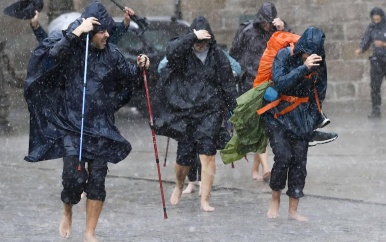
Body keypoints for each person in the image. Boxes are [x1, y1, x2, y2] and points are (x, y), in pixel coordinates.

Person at [24, 2, 149, 240]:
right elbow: (52, 55)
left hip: (101, 127)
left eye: (108, 30)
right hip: (72, 125)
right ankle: (68, 210)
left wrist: (142, 68)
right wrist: (77, 31)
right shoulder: (72, 49)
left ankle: (89, 233)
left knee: (98, 181)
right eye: (102, 31)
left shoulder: (112, 54)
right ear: (90, 31)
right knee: (73, 180)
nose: (108, 35)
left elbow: (131, 77)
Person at [153, 16, 237, 211]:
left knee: (208, 154)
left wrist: (235, 111)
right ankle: (179, 185)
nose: (200, 45)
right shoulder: (183, 53)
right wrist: (191, 37)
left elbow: (228, 84)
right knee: (183, 158)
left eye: (203, 41)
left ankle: (205, 200)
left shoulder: (218, 56)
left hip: (211, 111)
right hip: (186, 111)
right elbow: (171, 51)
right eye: (197, 41)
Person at [263, 27, 335, 221]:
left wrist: (312, 118)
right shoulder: (284, 55)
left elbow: (321, 89)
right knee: (283, 156)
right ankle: (275, 201)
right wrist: (303, 68)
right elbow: (280, 83)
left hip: (302, 116)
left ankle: (293, 210)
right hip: (278, 114)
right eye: (306, 54)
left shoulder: (320, 59)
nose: (309, 57)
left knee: (299, 163)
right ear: (301, 48)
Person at [229, 2, 288, 182]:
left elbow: (292, 45)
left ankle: (258, 168)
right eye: (264, 22)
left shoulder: (278, 32)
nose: (266, 26)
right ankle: (266, 168)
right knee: (259, 126)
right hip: (251, 84)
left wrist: (283, 28)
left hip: (272, 84)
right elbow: (234, 54)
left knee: (267, 126)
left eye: (269, 23)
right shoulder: (247, 32)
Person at [355, 7, 386, 119]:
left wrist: (383, 44)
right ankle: (376, 109)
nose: (376, 21)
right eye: (375, 19)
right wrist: (361, 49)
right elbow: (366, 39)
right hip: (377, 60)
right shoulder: (371, 27)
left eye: (378, 19)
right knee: (375, 86)